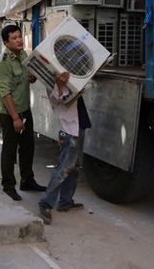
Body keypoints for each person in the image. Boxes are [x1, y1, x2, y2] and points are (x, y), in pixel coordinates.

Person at [0, 25, 46, 201]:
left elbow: (24, 78)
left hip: (24, 108)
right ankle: (8, 185)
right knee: (9, 150)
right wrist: (15, 117)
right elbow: (5, 92)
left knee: (27, 147)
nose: (19, 40)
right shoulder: (2, 62)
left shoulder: (22, 55)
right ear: (6, 42)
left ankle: (27, 180)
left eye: (19, 36)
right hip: (10, 113)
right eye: (14, 38)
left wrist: (30, 78)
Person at [38, 72, 91, 225]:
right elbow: (57, 100)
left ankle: (65, 201)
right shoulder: (51, 76)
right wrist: (60, 86)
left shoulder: (66, 73)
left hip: (78, 125)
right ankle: (46, 203)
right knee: (64, 169)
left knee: (75, 167)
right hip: (70, 129)